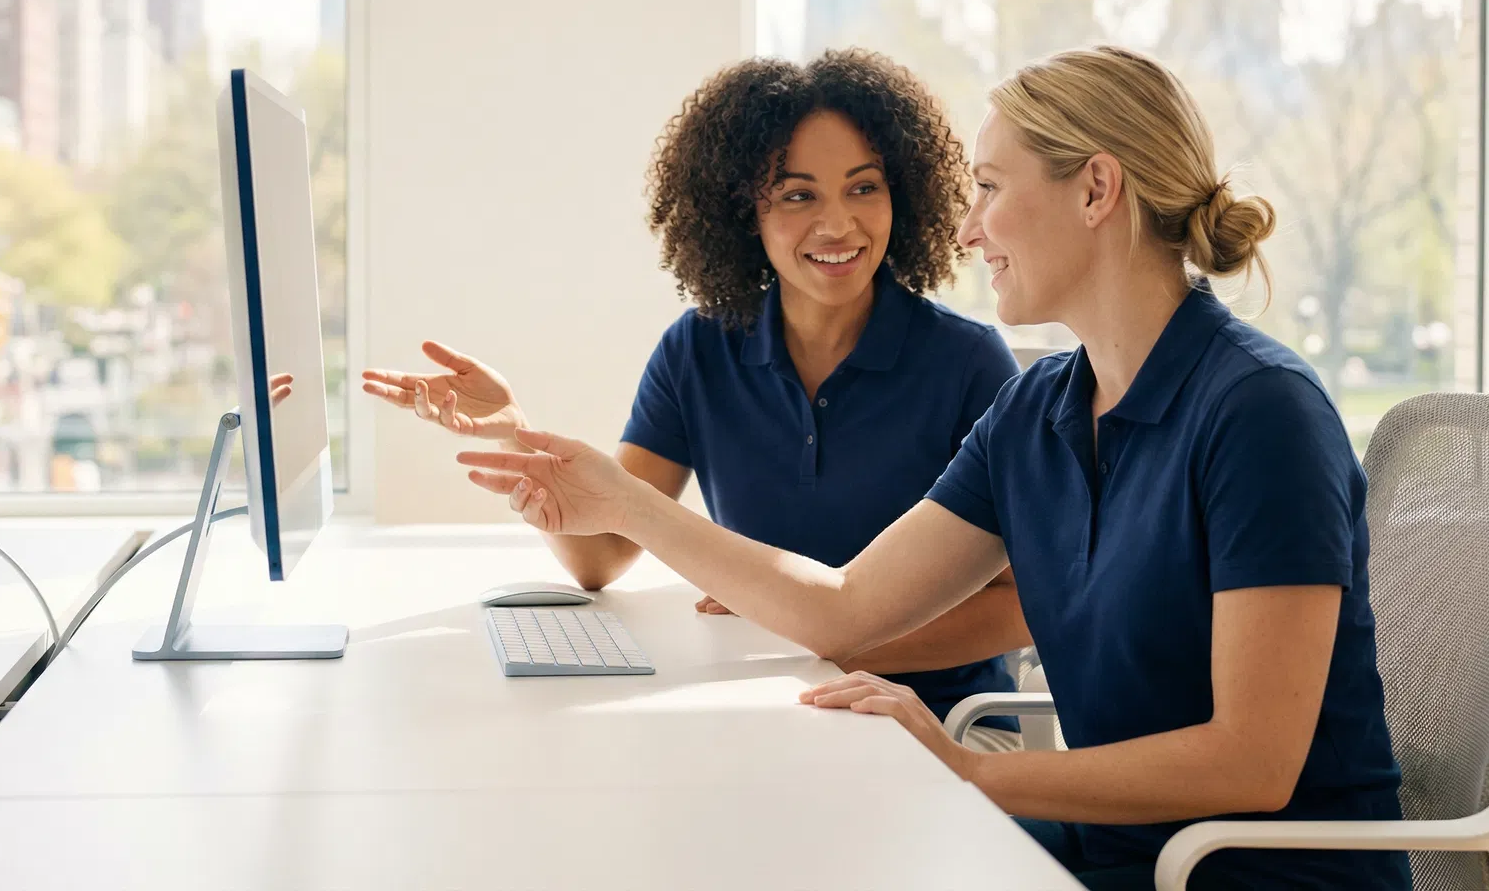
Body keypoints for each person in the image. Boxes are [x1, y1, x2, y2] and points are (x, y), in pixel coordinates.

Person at [453, 46, 1412, 890]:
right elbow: (843, 607)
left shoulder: (1260, 412)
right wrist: (625, 503)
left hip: (1240, 871)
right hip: (1118, 848)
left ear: (1095, 191)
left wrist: (972, 772)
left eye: (992, 189)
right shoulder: (1038, 411)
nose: (965, 228)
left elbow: (1250, 766)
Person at [364, 50, 1030, 751]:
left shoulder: (967, 363)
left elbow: (1020, 608)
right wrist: (516, 436)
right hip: (775, 707)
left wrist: (812, 636)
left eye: (864, 188)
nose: (839, 225)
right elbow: (601, 555)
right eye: (799, 195)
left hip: (942, 728)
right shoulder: (700, 351)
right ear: (744, 212)